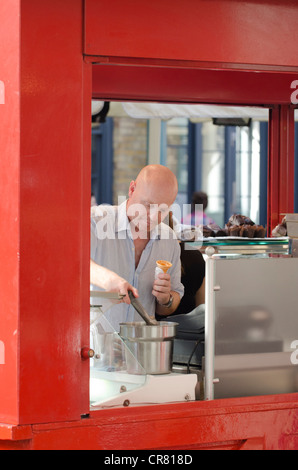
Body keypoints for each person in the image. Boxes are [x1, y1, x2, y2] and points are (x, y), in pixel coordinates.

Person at [90, 165, 184, 331]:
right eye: (148, 205)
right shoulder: (95, 221)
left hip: (141, 349)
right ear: (132, 189)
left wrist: (166, 299)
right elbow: (75, 263)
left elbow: (171, 302)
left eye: (163, 209)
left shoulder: (169, 240)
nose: (154, 217)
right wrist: (110, 281)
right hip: (95, 349)